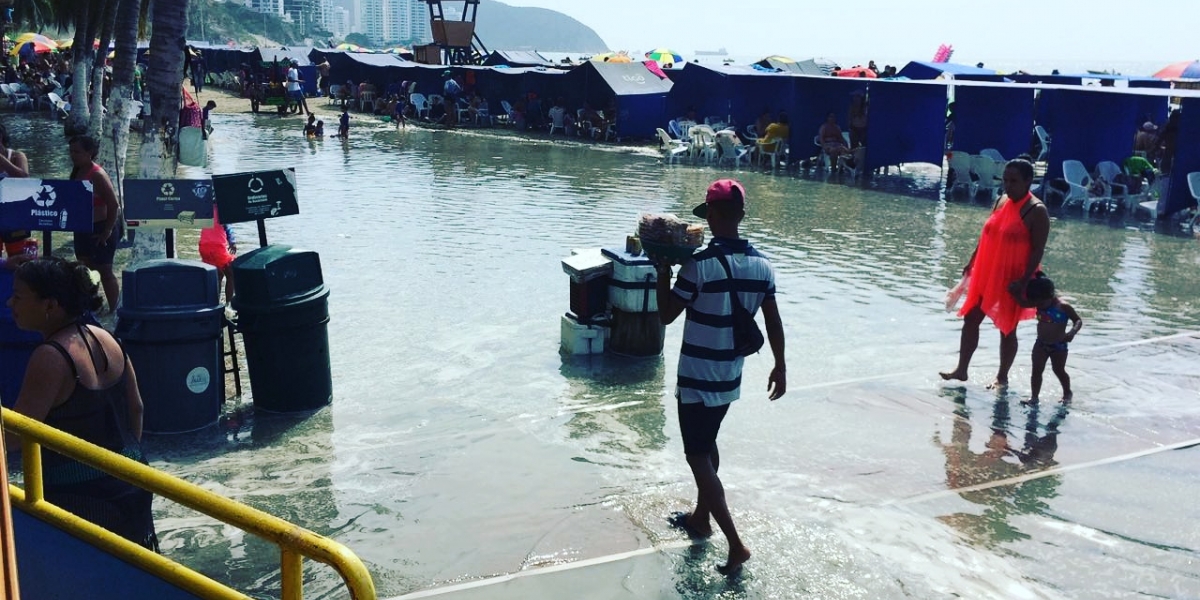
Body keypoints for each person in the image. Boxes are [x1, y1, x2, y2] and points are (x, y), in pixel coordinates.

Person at [654, 179, 787, 576]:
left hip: (696, 375)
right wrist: (780, 365)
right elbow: (773, 320)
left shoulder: (699, 265)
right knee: (707, 446)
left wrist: (662, 271)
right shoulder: (764, 265)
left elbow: (665, 315)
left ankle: (735, 544)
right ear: (741, 216)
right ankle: (700, 516)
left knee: (696, 456)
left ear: (710, 217)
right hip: (730, 376)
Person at [6, 257, 158, 550]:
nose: (10, 303)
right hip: (133, 482)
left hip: (81, 499)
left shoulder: (50, 357)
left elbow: (13, 437)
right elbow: (136, 408)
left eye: (19, 297)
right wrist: (119, 466)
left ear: (50, 306)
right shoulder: (107, 338)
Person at [940, 159, 1050, 388]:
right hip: (986, 269)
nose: (1008, 186)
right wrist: (972, 261)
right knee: (971, 318)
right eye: (1005, 180)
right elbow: (987, 234)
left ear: (1029, 181)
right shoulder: (1001, 200)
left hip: (1014, 275)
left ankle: (1002, 377)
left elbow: (1038, 250)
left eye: (1014, 181)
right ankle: (962, 370)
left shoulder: (1036, 210)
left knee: (1007, 327)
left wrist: (1024, 280)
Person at [69, 136, 121, 315]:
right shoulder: (77, 171)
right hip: (83, 228)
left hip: (102, 228)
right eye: (71, 152)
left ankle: (115, 310)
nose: (73, 155)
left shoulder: (97, 174)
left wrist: (107, 231)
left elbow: (114, 205)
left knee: (105, 271)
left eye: (77, 152)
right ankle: (93, 307)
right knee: (86, 270)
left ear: (89, 153)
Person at [1023, 276, 1082, 404]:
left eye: (1041, 303)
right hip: (1041, 344)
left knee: (1058, 370)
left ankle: (1067, 392)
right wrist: (1014, 291)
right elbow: (1022, 303)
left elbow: (1078, 320)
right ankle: (1034, 397)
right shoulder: (1039, 302)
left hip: (1059, 345)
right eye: (1036, 303)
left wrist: (1072, 332)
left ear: (1050, 296)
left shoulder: (1063, 307)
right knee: (1036, 370)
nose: (1038, 306)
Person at [0, 122, 32, 258]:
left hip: (15, 216)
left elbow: (24, 177)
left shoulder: (16, 156)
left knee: (18, 257)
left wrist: (1, 159)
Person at [199, 206, 236, 302]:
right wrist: (232, 242)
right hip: (217, 247)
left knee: (218, 275)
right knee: (231, 274)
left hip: (204, 246)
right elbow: (228, 228)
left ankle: (215, 303)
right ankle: (229, 304)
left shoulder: (206, 208)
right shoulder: (224, 209)